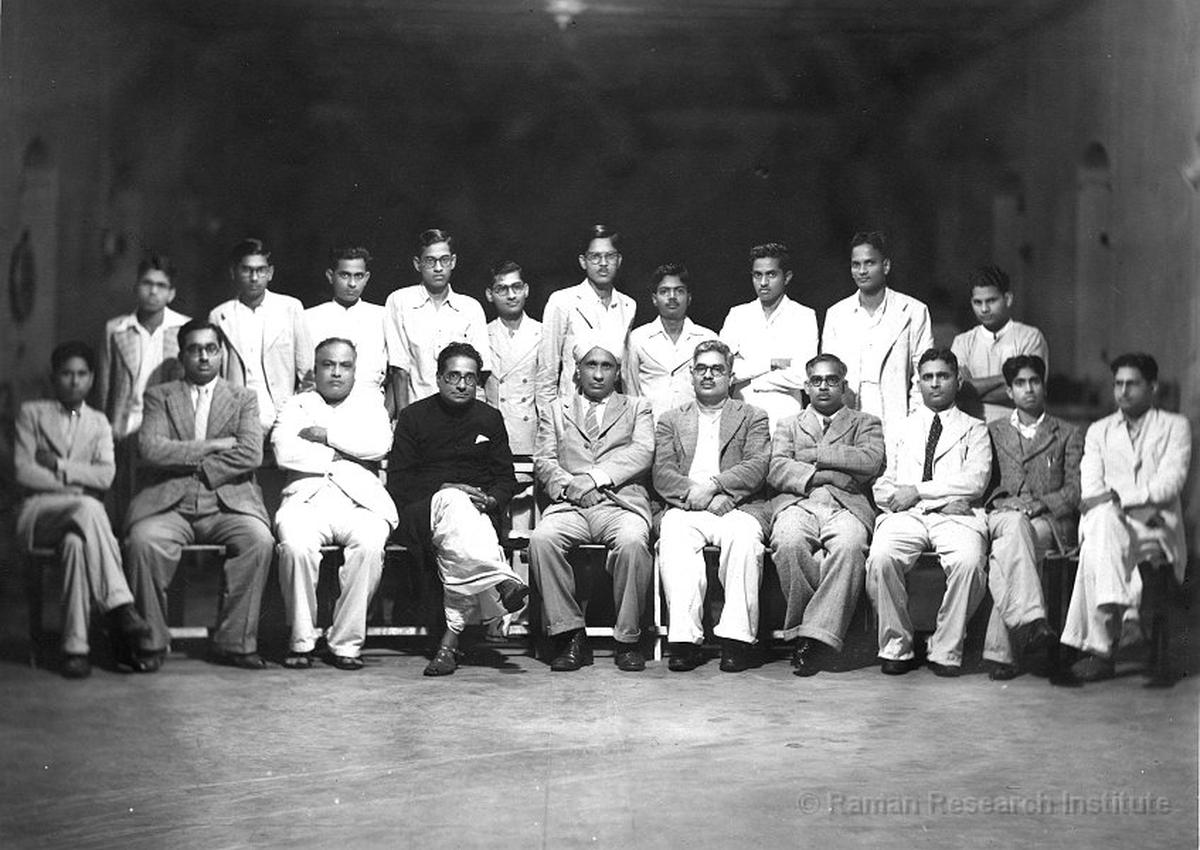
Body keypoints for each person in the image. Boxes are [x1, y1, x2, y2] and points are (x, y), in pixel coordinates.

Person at [123, 319, 275, 672]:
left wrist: (194, 461)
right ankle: (150, 641)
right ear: (182, 356)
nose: (203, 357)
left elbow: (250, 453)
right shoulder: (159, 396)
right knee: (143, 541)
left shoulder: (243, 398)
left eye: (210, 349)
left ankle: (234, 642)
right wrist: (214, 445)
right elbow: (151, 449)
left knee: (258, 541)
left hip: (227, 502)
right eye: (194, 350)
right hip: (171, 503)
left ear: (221, 354)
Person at [387, 342, 527, 677]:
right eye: (453, 376)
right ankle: (501, 580)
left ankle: (448, 646)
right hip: (423, 511)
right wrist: (444, 489)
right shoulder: (413, 417)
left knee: (459, 533)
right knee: (454, 501)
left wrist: (491, 500)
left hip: (476, 514)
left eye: (470, 377)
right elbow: (400, 482)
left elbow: (505, 479)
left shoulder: (489, 418)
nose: (462, 384)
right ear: (438, 378)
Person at [15, 342, 151, 678]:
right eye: (66, 374)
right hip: (39, 514)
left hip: (80, 519)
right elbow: (24, 472)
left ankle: (75, 650)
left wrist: (59, 465)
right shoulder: (32, 414)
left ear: (91, 379)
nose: (74, 381)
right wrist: (78, 485)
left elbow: (105, 476)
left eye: (81, 374)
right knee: (89, 504)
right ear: (54, 377)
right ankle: (120, 605)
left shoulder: (99, 422)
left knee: (76, 544)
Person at [1062, 353, 1191, 682]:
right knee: (1104, 522)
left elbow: (1170, 483)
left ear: (1152, 387)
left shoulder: (1175, 426)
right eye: (1118, 383)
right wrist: (1118, 503)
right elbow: (1091, 489)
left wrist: (1120, 499)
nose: (1123, 391)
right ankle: (1130, 616)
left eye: (1132, 384)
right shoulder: (1099, 430)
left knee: (1096, 544)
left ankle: (1100, 651)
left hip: (1154, 527)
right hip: (1112, 521)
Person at [529, 339, 654, 672]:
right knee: (542, 540)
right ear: (577, 371)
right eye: (591, 365)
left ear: (618, 372)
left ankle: (627, 639)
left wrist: (594, 479)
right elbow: (544, 460)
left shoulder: (637, 407)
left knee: (632, 542)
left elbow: (643, 452)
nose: (598, 374)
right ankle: (570, 636)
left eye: (606, 366)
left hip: (620, 505)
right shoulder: (557, 409)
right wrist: (573, 488)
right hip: (570, 505)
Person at [866, 348, 991, 677]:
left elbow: (975, 482)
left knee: (968, 562)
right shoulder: (900, 428)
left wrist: (918, 492)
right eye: (928, 377)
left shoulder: (975, 428)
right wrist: (935, 500)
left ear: (958, 381)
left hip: (957, 518)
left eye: (943, 376)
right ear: (917, 382)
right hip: (908, 516)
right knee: (881, 556)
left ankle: (946, 647)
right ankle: (896, 645)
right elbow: (884, 486)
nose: (935, 383)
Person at [273, 338, 396, 671]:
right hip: (306, 500)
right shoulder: (296, 405)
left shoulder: (371, 404)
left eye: (345, 365)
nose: (336, 373)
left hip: (360, 502)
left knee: (370, 544)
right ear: (315, 370)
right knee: (295, 546)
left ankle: (346, 643)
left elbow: (379, 445)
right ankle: (301, 640)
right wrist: (343, 455)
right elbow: (285, 452)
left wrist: (325, 436)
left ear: (355, 370)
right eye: (328, 365)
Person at [653, 340, 770, 673]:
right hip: (686, 507)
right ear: (691, 375)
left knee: (745, 540)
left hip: (737, 506)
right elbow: (662, 473)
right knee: (673, 535)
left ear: (730, 377)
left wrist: (716, 488)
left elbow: (757, 465)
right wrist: (698, 494)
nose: (708, 375)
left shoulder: (753, 416)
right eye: (701, 369)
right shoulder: (671, 419)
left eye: (717, 369)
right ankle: (684, 641)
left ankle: (736, 641)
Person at [769, 353, 885, 676]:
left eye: (832, 380)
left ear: (844, 386)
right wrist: (830, 473)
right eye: (816, 381)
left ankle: (810, 640)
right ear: (806, 386)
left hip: (847, 505)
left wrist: (815, 454)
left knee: (850, 546)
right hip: (799, 502)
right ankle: (815, 633)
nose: (824, 387)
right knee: (788, 541)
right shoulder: (789, 424)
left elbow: (869, 461)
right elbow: (777, 468)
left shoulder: (866, 422)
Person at [981, 355, 1079, 680]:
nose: (1029, 389)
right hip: (1004, 514)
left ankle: (1003, 652)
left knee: (1008, 550)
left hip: (1046, 519)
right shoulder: (993, 432)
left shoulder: (1067, 433)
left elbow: (1074, 490)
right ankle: (1034, 620)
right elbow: (985, 483)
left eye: (1034, 381)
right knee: (1014, 534)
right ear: (1009, 391)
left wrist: (1038, 505)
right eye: (1020, 383)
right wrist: (1004, 501)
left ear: (1044, 385)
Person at [820, 230, 932, 454]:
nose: (862, 271)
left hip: (897, 419)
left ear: (886, 266)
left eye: (869, 263)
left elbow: (923, 374)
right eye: (856, 264)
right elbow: (828, 374)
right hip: (849, 418)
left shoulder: (913, 311)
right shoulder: (837, 314)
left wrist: (913, 421)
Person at [98, 251, 191, 521]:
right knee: (122, 502)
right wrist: (105, 428)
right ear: (136, 287)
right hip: (125, 426)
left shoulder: (183, 328)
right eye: (147, 283)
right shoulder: (116, 329)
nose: (153, 291)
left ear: (171, 293)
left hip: (167, 427)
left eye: (161, 286)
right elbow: (105, 386)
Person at [210, 238, 314, 435]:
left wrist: (296, 413)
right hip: (237, 413)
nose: (254, 277)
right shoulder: (220, 315)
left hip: (282, 412)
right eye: (246, 270)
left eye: (261, 270)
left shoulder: (290, 308)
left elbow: (307, 372)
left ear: (270, 273)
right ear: (233, 272)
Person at [384, 228, 491, 414]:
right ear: (417, 264)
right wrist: (404, 420)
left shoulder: (470, 308)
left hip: (461, 413)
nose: (438, 268)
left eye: (444, 260)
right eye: (430, 261)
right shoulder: (400, 301)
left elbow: (480, 372)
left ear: (453, 261)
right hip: (417, 411)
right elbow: (399, 369)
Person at [718, 242, 818, 434]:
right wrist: (771, 363)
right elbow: (724, 369)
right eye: (757, 275)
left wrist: (749, 373)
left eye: (771, 274)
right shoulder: (738, 314)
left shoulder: (803, 316)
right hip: (742, 414)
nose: (763, 282)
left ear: (786, 277)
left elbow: (803, 375)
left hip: (786, 415)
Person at [536, 224, 637, 410]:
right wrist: (550, 418)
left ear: (619, 260)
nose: (603, 263)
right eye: (595, 256)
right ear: (583, 261)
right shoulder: (562, 301)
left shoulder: (628, 305)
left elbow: (626, 373)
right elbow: (547, 371)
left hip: (613, 410)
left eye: (610, 256)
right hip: (572, 409)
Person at [951, 265, 1049, 422]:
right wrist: (1007, 377)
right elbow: (957, 390)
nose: (984, 309)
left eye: (991, 301)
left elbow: (1026, 390)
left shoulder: (1030, 337)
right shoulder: (962, 342)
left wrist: (972, 389)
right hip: (973, 428)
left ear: (1008, 299)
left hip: (1017, 428)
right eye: (978, 302)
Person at [623, 262, 717, 422]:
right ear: (654, 299)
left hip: (696, 426)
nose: (672, 297)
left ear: (689, 297)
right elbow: (631, 391)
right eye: (664, 291)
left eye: (679, 291)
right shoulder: (638, 338)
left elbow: (716, 392)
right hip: (651, 428)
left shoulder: (708, 339)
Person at [303, 246, 389, 401]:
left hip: (371, 402)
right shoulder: (309, 317)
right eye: (345, 275)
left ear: (367, 278)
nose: (352, 284)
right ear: (331, 276)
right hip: (321, 403)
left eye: (358, 276)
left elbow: (395, 373)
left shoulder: (383, 316)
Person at [484, 260, 542, 457]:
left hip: (529, 434)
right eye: (502, 289)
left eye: (516, 287)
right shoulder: (482, 334)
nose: (511, 295)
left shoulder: (543, 333)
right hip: (492, 433)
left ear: (526, 290)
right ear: (490, 295)